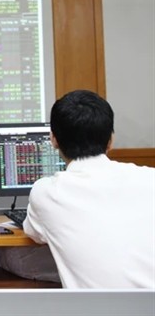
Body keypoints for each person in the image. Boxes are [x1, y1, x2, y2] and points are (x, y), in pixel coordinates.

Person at [23, 90, 155, 288]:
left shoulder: (46, 192)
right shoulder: (150, 178)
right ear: (111, 140)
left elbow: (34, 234)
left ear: (53, 140)